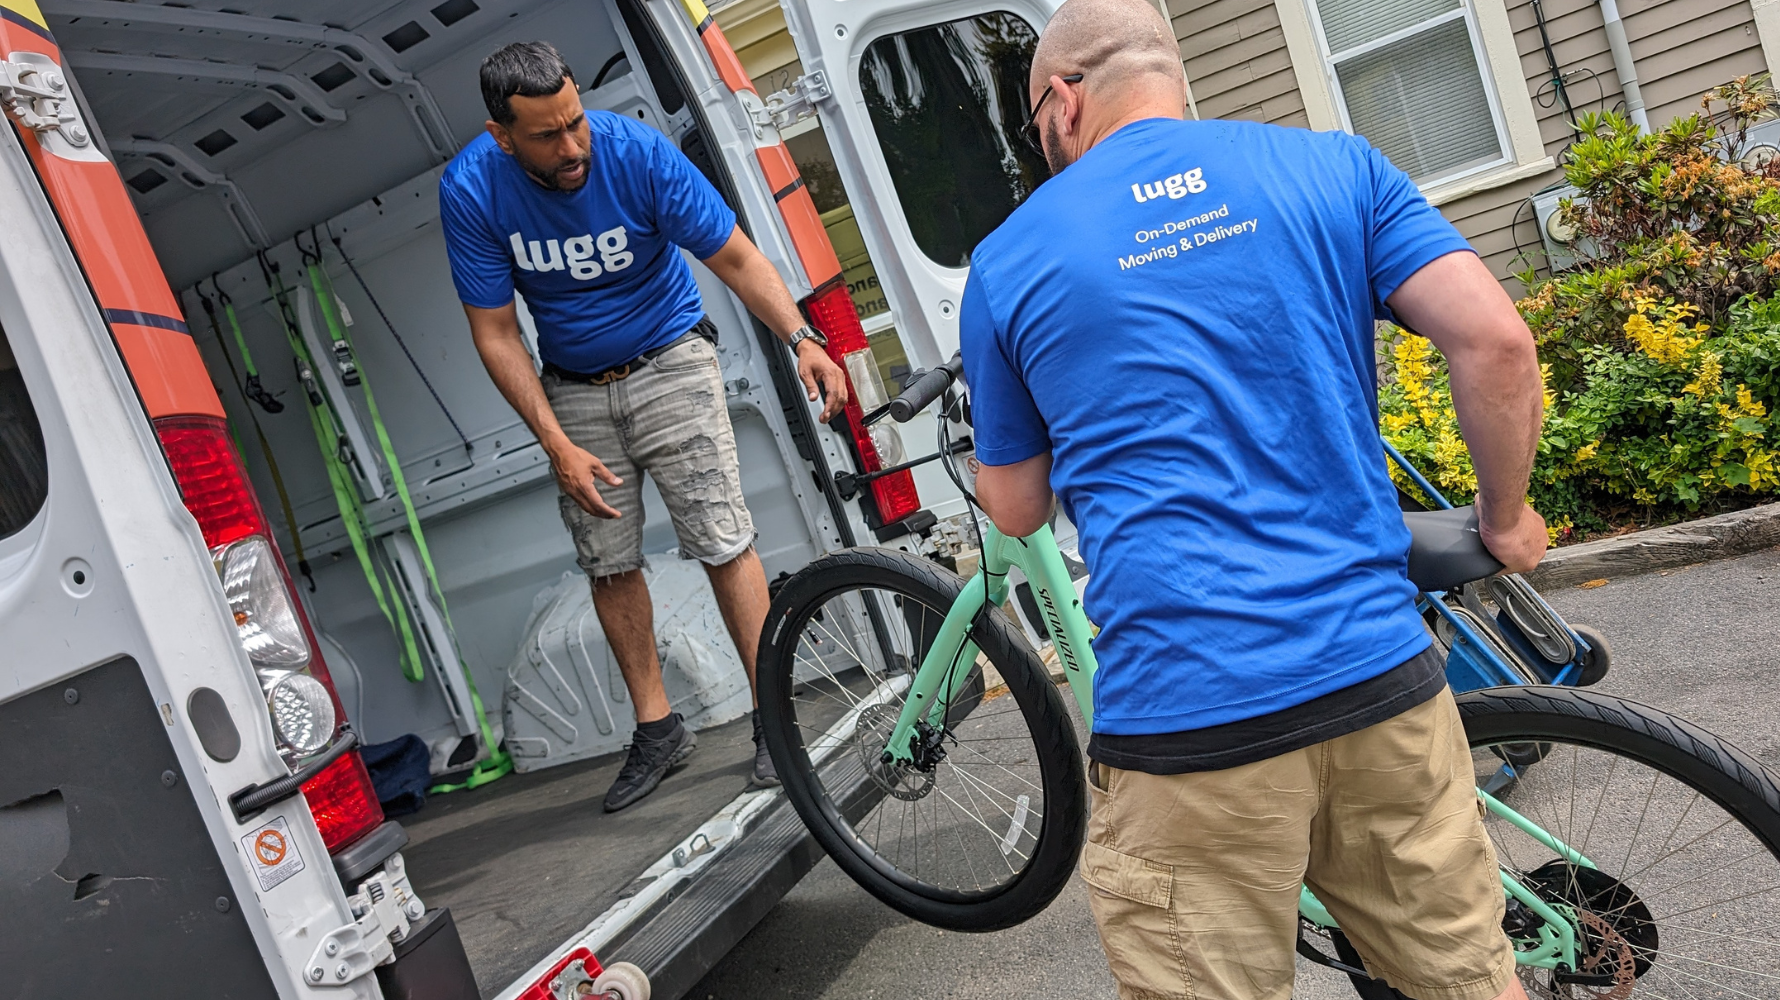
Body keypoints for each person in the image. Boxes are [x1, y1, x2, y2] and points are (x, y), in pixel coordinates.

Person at [959, 1, 1546, 998]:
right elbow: (1494, 341)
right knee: (1464, 979)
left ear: (1060, 103)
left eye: (1032, 123)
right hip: (1378, 684)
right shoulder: (1335, 168)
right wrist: (1501, 516)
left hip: (1188, 728)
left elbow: (1012, 510)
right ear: (1171, 74)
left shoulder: (1010, 260)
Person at [440, 42, 849, 812]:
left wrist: (803, 342)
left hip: (670, 360)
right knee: (607, 560)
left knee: (723, 539)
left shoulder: (632, 153)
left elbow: (733, 256)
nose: (572, 148)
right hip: (572, 389)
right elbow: (495, 331)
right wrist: (554, 442)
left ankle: (774, 719)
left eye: (575, 123)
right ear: (502, 135)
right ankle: (658, 729)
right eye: (548, 136)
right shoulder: (471, 188)